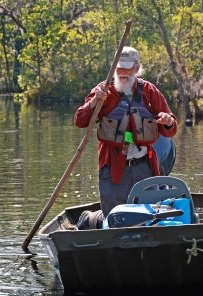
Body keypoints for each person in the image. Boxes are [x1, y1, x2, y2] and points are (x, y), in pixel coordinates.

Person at [74, 46, 178, 217]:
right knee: (115, 218)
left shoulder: (150, 91)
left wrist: (168, 122)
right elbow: (80, 121)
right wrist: (94, 101)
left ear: (137, 68)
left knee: (149, 217)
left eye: (127, 68)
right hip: (113, 168)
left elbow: (170, 131)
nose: (122, 72)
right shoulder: (102, 91)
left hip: (145, 167)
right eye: (119, 67)